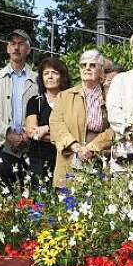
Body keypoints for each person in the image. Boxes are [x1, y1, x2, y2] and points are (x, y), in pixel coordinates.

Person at [49, 49, 115, 186]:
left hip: (99, 159)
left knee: (98, 203)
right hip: (70, 159)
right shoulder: (64, 96)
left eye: (92, 65)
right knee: (68, 203)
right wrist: (76, 147)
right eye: (83, 65)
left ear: (101, 71)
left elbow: (115, 127)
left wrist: (93, 147)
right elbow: (55, 124)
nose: (87, 68)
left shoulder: (111, 96)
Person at [0, 30, 38, 188]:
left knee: (29, 194)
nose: (16, 48)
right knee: (4, 196)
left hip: (30, 145)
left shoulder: (37, 80)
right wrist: (8, 134)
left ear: (28, 50)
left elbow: (42, 112)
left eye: (21, 44)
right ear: (7, 49)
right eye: (12, 44)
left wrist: (27, 136)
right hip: (2, 144)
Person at [24, 57, 70, 183]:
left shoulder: (70, 101)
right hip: (39, 160)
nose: (50, 77)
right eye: (46, 73)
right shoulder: (35, 101)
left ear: (62, 76)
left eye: (54, 73)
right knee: (39, 200)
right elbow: (32, 132)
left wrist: (45, 128)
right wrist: (60, 136)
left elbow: (73, 131)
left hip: (64, 158)